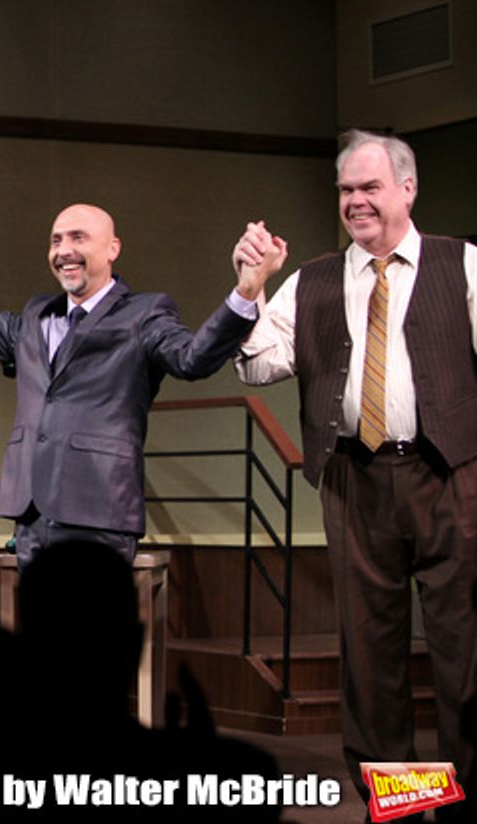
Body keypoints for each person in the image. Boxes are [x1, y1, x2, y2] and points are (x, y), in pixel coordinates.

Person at [234, 128, 477, 811]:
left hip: (449, 473)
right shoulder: (312, 279)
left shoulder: (461, 265)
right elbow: (255, 363)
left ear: (408, 188)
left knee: (465, 649)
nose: (356, 201)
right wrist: (250, 289)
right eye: (346, 190)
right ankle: (400, 803)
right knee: (371, 661)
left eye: (370, 187)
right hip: (353, 476)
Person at [0, 206, 273, 567]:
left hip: (100, 510)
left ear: (113, 249)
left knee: (93, 631)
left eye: (78, 238)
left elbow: (193, 359)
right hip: (32, 513)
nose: (64, 251)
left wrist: (246, 290)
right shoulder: (33, 316)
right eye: (56, 240)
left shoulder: (145, 313)